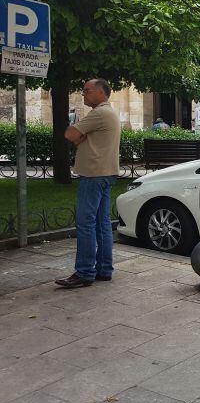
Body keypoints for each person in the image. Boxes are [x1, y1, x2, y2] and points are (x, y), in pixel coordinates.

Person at [55, 79, 121, 289]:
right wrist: (79, 138)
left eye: (87, 91)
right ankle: (104, 269)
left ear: (101, 93)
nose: (83, 94)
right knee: (102, 224)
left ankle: (84, 272)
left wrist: (77, 138)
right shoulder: (109, 112)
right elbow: (76, 136)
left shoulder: (99, 113)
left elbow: (69, 133)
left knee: (86, 223)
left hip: (93, 176)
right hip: (106, 174)